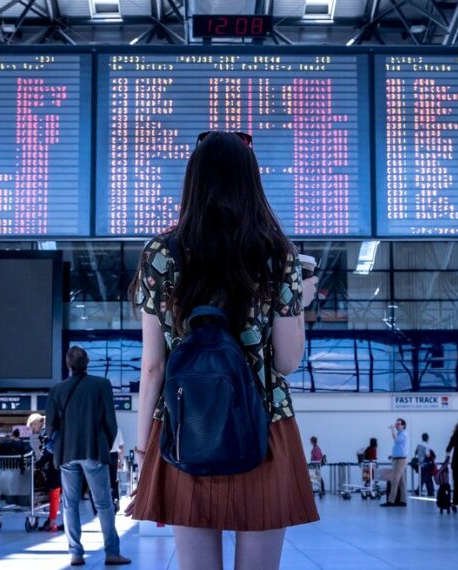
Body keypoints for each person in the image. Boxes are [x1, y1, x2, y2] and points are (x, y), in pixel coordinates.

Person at [126, 131, 320, 570]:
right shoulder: (278, 255)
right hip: (264, 427)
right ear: (251, 181)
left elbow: (153, 366)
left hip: (184, 426)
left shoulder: (162, 252)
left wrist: (143, 450)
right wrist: (298, 303)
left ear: (193, 180)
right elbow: (287, 363)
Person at [46, 346, 130, 567]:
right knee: (103, 504)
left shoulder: (57, 390)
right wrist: (104, 444)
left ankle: (75, 553)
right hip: (94, 450)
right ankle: (112, 552)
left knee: (70, 504)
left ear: (67, 364)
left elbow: (49, 427)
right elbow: (111, 423)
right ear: (88, 362)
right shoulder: (101, 385)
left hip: (66, 454)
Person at [27, 414, 62, 532]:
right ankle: (52, 520)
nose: (33, 430)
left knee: (54, 491)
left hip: (56, 464)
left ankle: (52, 522)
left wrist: (38, 464)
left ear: (36, 423)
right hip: (61, 462)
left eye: (32, 427)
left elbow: (49, 451)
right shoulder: (51, 426)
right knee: (56, 492)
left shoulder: (46, 430)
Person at [382, 418, 409, 507]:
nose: (397, 425)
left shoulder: (404, 434)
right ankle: (403, 501)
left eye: (399, 424)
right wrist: (392, 455)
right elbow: (399, 448)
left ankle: (391, 501)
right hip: (397, 459)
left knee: (394, 480)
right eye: (396, 424)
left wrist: (392, 430)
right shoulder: (400, 434)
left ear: (403, 425)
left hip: (400, 461)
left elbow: (396, 440)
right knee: (401, 482)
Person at [109, 428, 125, 513]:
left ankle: (106, 504)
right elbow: (121, 447)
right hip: (114, 456)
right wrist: (121, 461)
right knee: (113, 480)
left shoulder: (100, 427)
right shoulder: (117, 430)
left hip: (103, 456)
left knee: (103, 481)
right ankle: (115, 501)